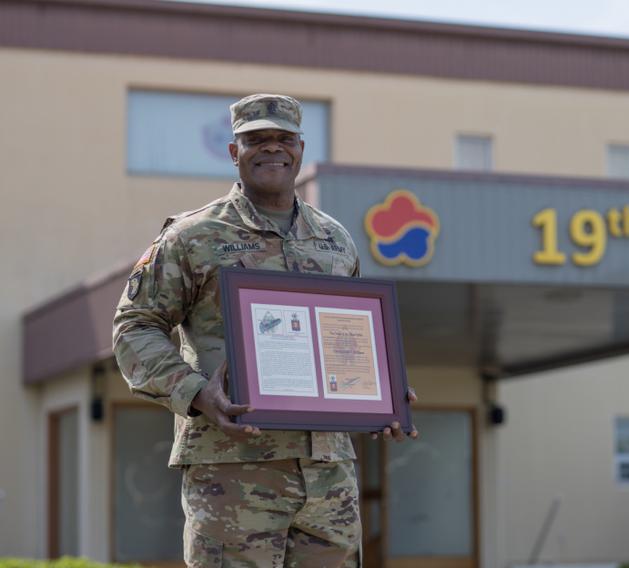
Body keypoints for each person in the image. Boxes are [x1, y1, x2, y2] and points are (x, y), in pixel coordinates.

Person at [113, 93, 416, 568]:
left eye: (283, 138)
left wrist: (386, 392)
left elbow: (353, 336)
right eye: (256, 139)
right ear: (235, 152)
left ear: (300, 148)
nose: (271, 148)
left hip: (327, 474)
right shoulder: (192, 236)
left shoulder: (335, 240)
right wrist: (195, 391)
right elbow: (135, 327)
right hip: (233, 470)